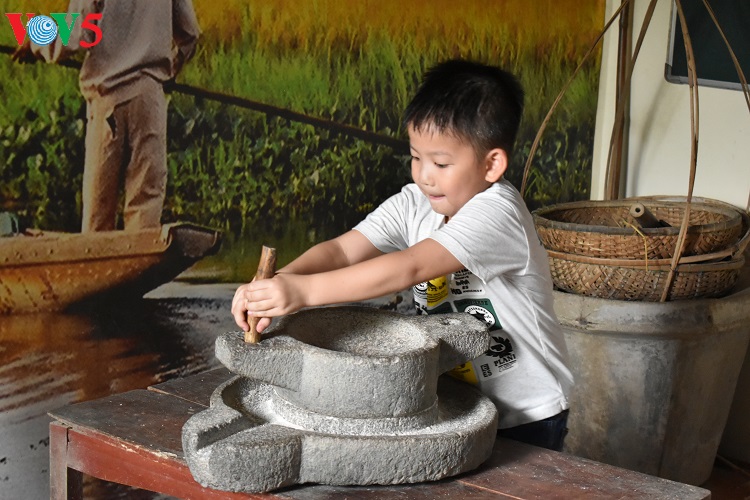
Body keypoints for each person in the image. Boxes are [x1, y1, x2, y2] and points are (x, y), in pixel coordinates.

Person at [232, 59, 574, 451]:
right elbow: (342, 250)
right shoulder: (414, 203)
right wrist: (277, 285)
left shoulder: (499, 212)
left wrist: (302, 293)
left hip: (528, 414)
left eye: (441, 163)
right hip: (459, 400)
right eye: (416, 157)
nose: (424, 175)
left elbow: (410, 267)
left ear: (492, 164)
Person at [13, 0, 200, 232]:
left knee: (99, 211)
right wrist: (170, 69)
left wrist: (34, 40)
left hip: (108, 103)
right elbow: (190, 34)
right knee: (145, 205)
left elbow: (75, 35)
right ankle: (143, 254)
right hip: (149, 100)